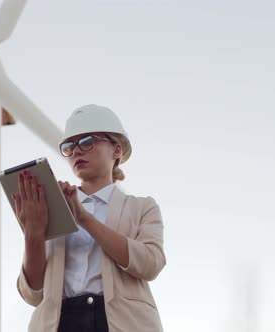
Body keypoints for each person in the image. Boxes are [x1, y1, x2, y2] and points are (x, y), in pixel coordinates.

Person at [12, 104, 166, 332]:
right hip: (60, 323)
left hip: (120, 324)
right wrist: (33, 233)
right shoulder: (52, 208)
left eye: (87, 142)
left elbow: (150, 264)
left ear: (116, 151)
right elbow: (33, 293)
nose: (76, 151)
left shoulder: (142, 207)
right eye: (69, 146)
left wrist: (84, 218)